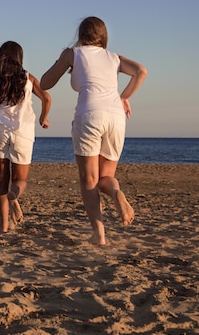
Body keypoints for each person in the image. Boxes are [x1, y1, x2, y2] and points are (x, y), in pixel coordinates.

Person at [40, 17, 147, 245]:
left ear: (81, 34)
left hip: (90, 114)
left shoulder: (73, 54)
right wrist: (124, 97)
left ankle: (99, 235)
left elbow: (45, 83)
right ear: (103, 36)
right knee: (106, 177)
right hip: (116, 116)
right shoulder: (114, 58)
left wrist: (62, 60)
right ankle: (117, 194)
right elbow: (141, 71)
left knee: (89, 179)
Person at [0, 41, 51, 233]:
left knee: (1, 180)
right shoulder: (27, 77)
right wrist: (44, 118)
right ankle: (14, 196)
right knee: (20, 179)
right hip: (22, 131)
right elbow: (47, 98)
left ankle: (3, 226)